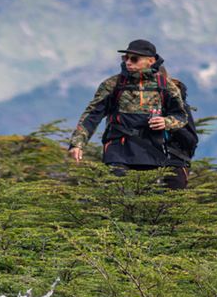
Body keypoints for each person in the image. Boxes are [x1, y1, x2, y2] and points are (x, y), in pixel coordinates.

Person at [67, 39, 191, 189]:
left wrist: (166, 122)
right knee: (115, 190)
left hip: (151, 150)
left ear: (151, 61)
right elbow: (92, 115)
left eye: (134, 59)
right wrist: (77, 144)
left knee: (145, 195)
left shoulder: (165, 86)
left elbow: (181, 116)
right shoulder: (113, 84)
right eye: (125, 58)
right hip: (117, 148)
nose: (128, 62)